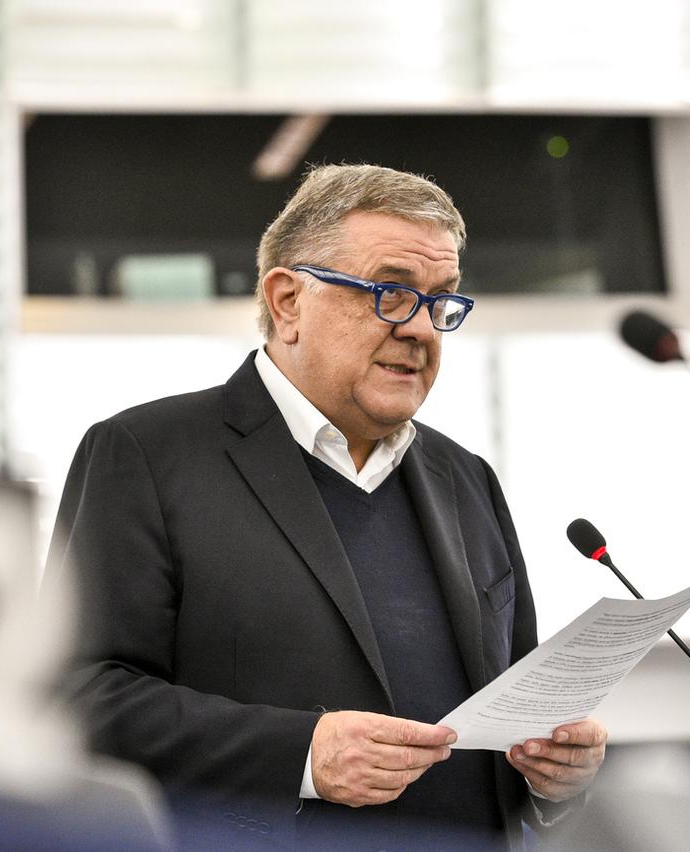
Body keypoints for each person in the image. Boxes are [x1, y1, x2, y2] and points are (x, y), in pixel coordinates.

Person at [44, 164, 607, 848]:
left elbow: (507, 732)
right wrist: (302, 755)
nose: (423, 330)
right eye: (393, 293)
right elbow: (78, 698)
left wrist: (554, 777)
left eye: (441, 302)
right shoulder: (147, 454)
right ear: (287, 302)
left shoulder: (468, 481)